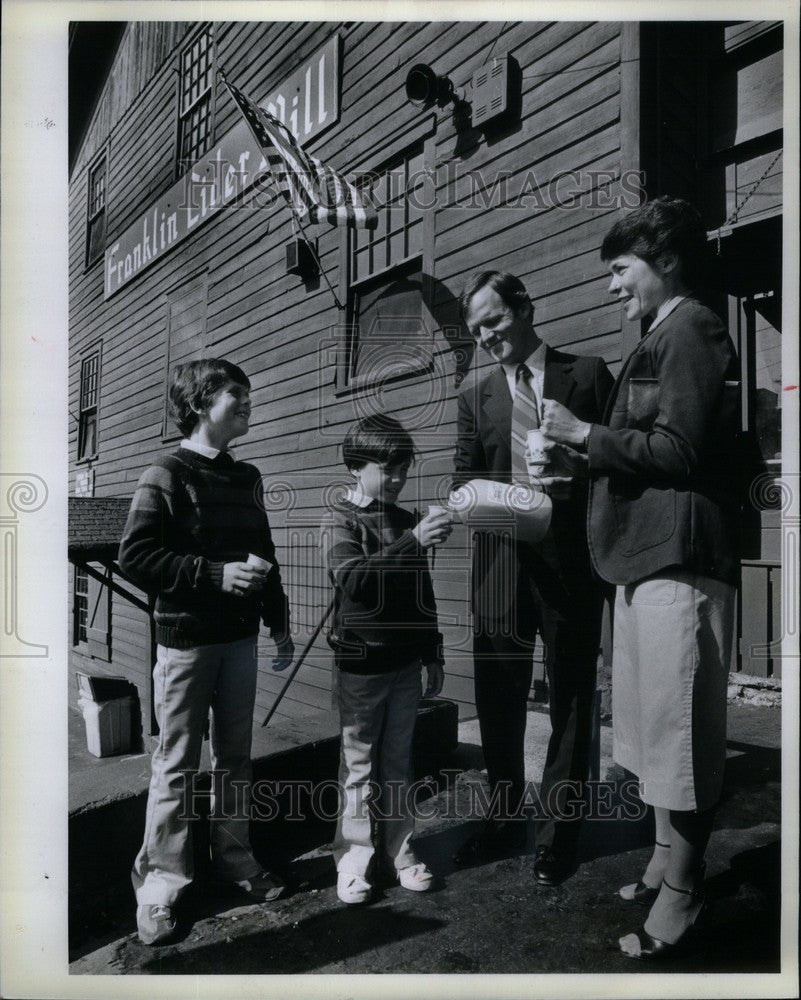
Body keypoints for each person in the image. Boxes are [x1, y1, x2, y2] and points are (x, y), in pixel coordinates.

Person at [541, 196, 740, 958]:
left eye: (619, 269)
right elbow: (647, 446)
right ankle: (663, 861)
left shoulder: (690, 326)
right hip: (645, 557)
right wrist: (580, 455)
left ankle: (686, 892)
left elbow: (680, 451)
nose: (611, 286)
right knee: (653, 724)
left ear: (663, 261)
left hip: (678, 558)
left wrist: (584, 433)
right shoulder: (663, 331)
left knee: (679, 734)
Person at [118, 358, 295, 945]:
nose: (247, 401)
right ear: (198, 403)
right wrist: (212, 575)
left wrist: (278, 621)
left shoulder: (246, 477)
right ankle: (161, 888)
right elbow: (136, 556)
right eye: (234, 393)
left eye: (248, 391)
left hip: (240, 642)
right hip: (187, 646)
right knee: (175, 765)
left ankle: (237, 862)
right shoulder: (164, 473)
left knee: (236, 760)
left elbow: (264, 551)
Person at [452, 270, 614, 885]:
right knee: (497, 694)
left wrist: (574, 473)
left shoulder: (589, 373)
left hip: (570, 560)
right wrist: (476, 499)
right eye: (475, 331)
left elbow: (614, 462)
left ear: (525, 306)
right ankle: (501, 815)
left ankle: (559, 835)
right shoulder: (476, 396)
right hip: (498, 564)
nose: (486, 337)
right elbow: (462, 476)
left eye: (493, 321)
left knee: (571, 695)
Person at [321, 415, 452, 905]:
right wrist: (413, 541)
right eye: (386, 467)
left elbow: (422, 593)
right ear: (356, 466)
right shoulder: (340, 517)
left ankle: (401, 851)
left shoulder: (408, 519)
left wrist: (432, 651)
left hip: (405, 665)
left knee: (398, 762)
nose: (396, 477)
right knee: (358, 766)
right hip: (360, 664)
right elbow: (353, 580)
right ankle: (353, 860)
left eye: (403, 467)